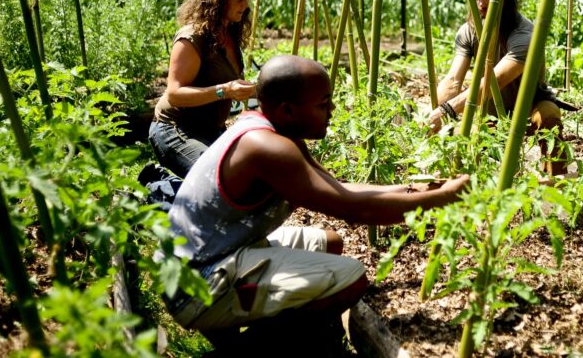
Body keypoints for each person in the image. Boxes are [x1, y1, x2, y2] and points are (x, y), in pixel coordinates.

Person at [162, 54, 469, 351]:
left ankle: (239, 330)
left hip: (214, 256)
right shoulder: (267, 149)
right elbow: (352, 209)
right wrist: (440, 200)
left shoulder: (272, 130)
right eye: (324, 103)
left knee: (330, 243)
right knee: (351, 279)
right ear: (287, 110)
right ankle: (248, 349)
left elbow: (339, 188)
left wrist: (413, 189)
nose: (333, 109)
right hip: (195, 287)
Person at [427, 0, 571, 174]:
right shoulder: (469, 31)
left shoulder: (525, 35)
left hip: (529, 107)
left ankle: (556, 182)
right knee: (469, 147)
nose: (482, 4)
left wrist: (448, 110)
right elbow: (453, 80)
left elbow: (495, 80)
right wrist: (433, 116)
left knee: (549, 114)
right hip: (489, 110)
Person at [149, 0, 258, 178]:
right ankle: (159, 187)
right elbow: (175, 94)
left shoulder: (229, 35)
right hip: (175, 130)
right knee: (216, 178)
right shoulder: (192, 38)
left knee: (251, 175)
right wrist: (225, 90)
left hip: (212, 131)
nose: (245, 6)